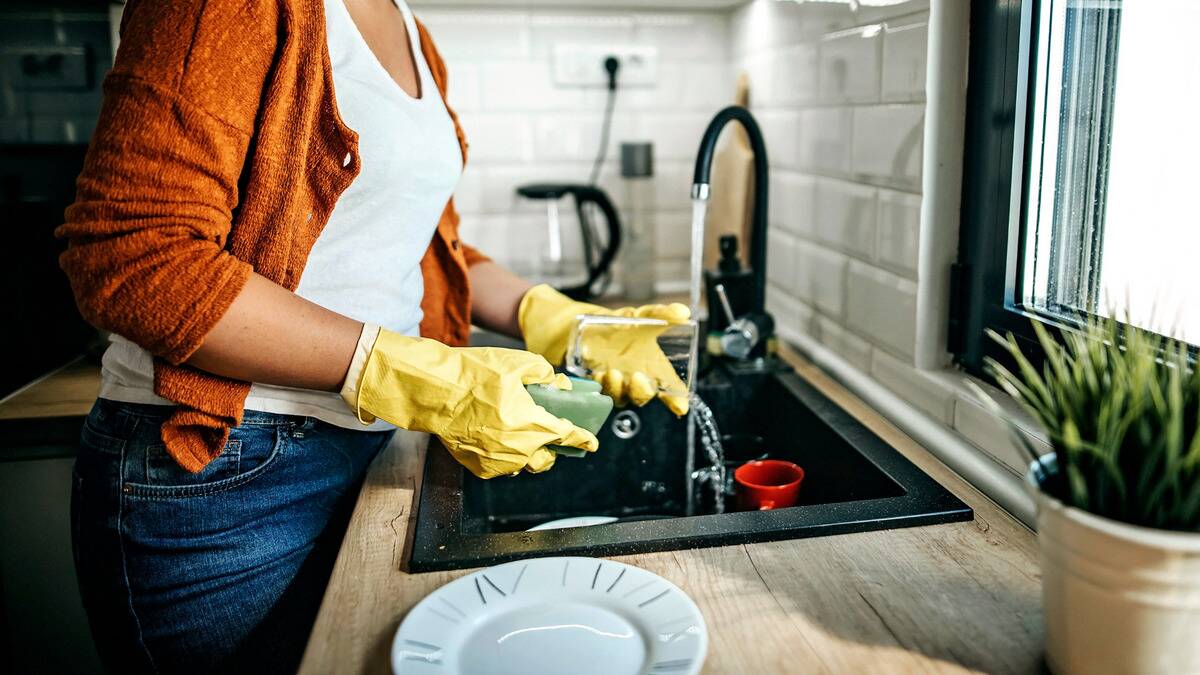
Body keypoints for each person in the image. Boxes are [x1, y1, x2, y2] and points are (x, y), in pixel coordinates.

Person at [57, 1, 688, 673]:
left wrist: (553, 313)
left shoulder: (415, 33)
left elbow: (408, 243)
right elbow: (132, 254)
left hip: (376, 444)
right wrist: (408, 373)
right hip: (223, 475)